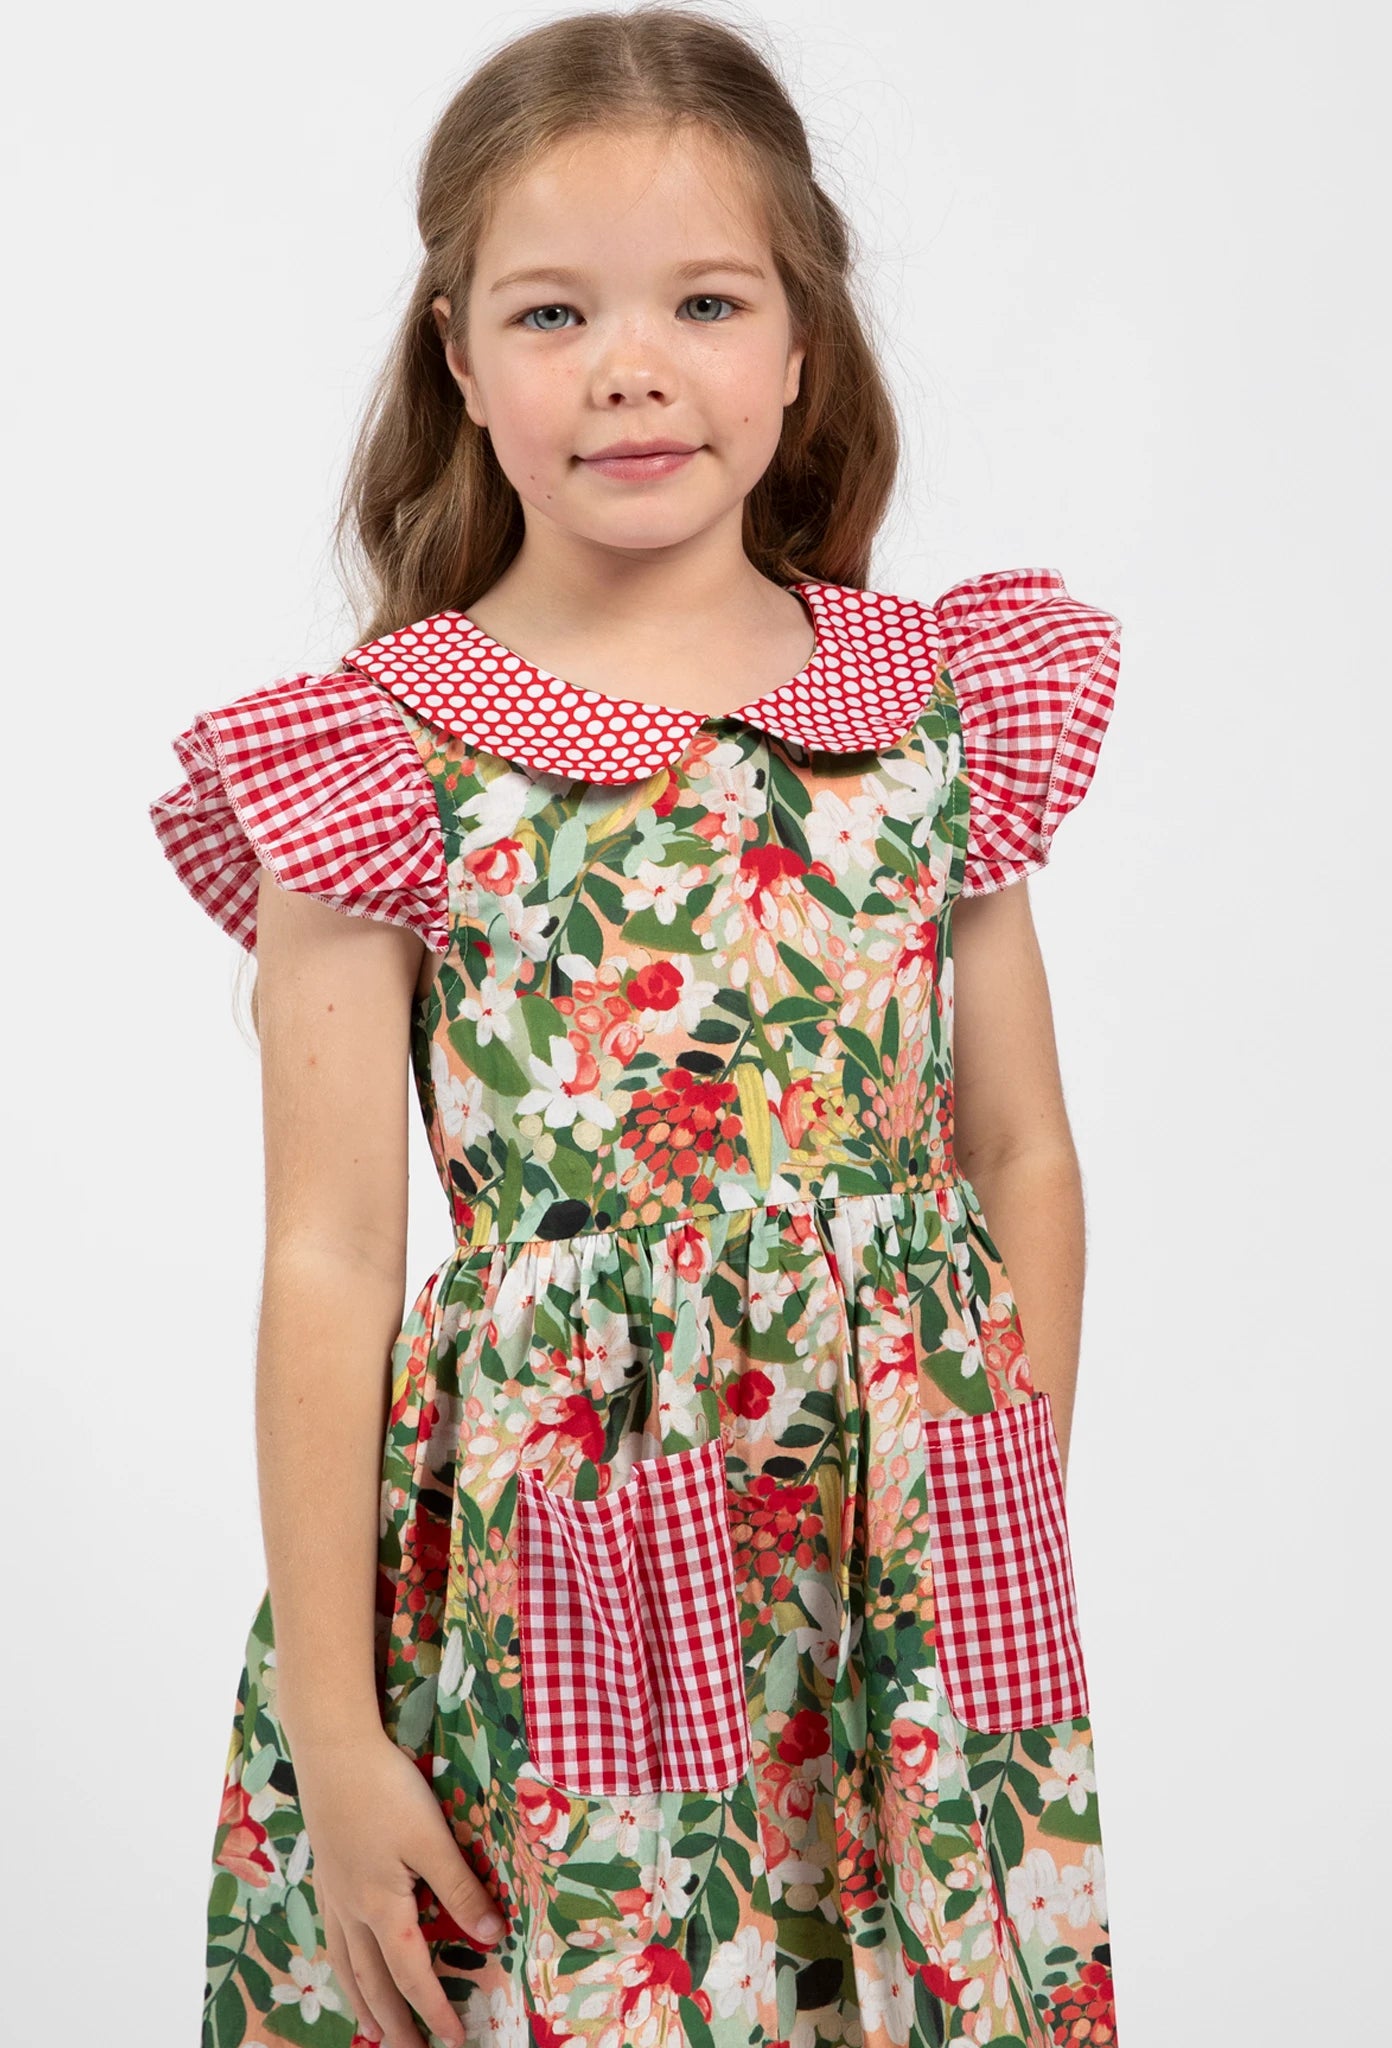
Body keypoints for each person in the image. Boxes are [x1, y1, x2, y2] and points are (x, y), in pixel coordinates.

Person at [148, 10, 1123, 2046]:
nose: (631, 363)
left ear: (800, 342)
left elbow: (1018, 1143)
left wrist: (988, 1499)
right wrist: (335, 1728)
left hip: (904, 1581)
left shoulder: (929, 708)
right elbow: (330, 1253)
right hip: (557, 1564)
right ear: (458, 358)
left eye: (705, 300)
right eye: (552, 311)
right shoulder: (378, 754)